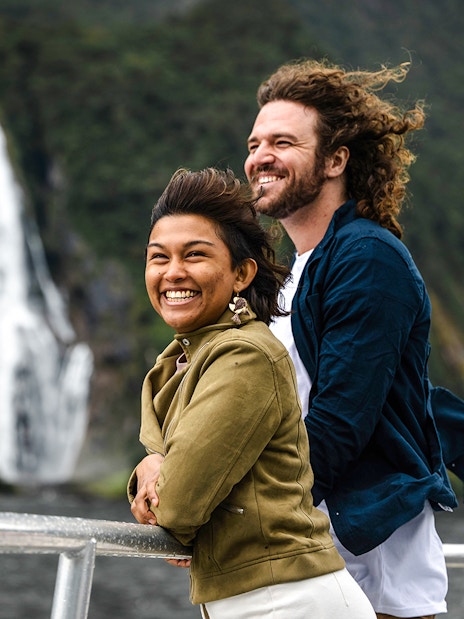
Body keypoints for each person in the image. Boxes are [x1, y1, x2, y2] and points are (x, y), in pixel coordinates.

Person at [244, 58, 464, 619]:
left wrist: (237, 517)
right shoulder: (295, 273)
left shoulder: (366, 258)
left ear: (336, 159)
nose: (259, 157)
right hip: (308, 561)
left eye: (283, 142)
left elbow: (339, 423)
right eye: (254, 143)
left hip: (368, 574)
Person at [128, 167, 376, 618]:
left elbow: (179, 507)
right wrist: (153, 463)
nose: (173, 272)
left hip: (291, 601)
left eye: (195, 255)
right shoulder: (179, 364)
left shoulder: (245, 357)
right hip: (253, 601)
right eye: (158, 257)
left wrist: (153, 469)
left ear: (241, 273)